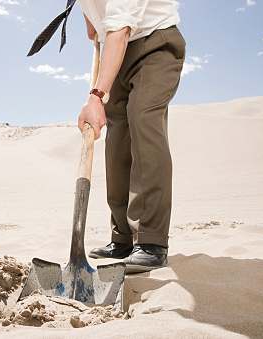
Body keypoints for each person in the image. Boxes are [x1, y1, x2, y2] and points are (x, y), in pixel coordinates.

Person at [76, 0, 186, 272]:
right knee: (117, 144)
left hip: (154, 44)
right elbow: (94, 30)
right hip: (117, 54)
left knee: (143, 120)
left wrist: (97, 96)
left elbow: (121, 28)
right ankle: (123, 237)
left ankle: (151, 242)